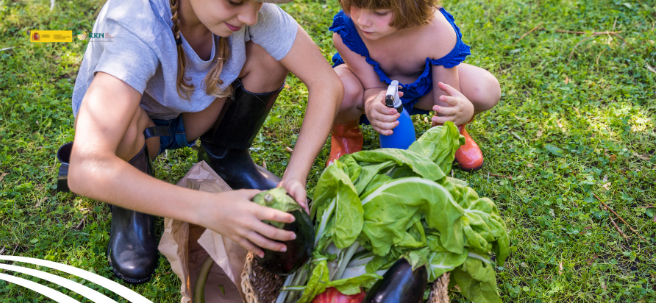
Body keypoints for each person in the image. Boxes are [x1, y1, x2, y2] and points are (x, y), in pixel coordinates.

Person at [63, 0, 342, 284]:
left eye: (259, 2)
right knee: (122, 128)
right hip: (136, 133)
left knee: (268, 57)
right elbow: (85, 168)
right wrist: (208, 209)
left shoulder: (250, 13)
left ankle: (225, 159)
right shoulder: (134, 23)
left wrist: (295, 175)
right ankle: (131, 209)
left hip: (194, 115)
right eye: (235, 1)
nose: (248, 16)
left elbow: (327, 83)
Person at [326, 0, 501, 171]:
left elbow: (446, 96)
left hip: (426, 90)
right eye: (356, 5)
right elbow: (373, 87)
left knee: (484, 88)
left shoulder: (438, 31)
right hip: (369, 88)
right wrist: (372, 103)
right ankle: (345, 135)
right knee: (337, 88)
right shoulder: (347, 31)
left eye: (380, 13)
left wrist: (459, 114)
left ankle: (457, 134)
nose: (362, 21)